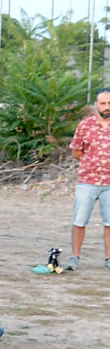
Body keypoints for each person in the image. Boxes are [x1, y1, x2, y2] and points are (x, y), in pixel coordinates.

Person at [64, 88, 110, 271]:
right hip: (87, 182)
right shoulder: (85, 126)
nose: (106, 107)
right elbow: (77, 152)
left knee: (109, 223)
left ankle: (108, 258)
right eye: (103, 103)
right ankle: (74, 257)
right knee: (79, 220)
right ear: (96, 105)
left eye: (109, 103)